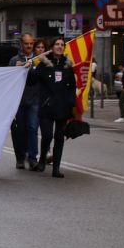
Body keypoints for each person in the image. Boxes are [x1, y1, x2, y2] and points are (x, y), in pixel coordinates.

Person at [28, 37, 76, 178]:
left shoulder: (67, 65)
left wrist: (71, 102)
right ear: (52, 46)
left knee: (59, 138)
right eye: (57, 44)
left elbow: (72, 86)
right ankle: (42, 159)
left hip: (63, 108)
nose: (59, 47)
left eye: (62, 45)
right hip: (47, 107)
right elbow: (31, 81)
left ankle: (56, 168)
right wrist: (33, 66)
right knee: (47, 135)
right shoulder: (44, 63)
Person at [9, 34, 39, 170]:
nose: (28, 46)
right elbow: (7, 79)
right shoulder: (14, 60)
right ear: (21, 44)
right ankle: (20, 158)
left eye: (31, 44)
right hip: (18, 101)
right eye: (26, 43)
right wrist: (16, 68)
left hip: (34, 100)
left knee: (32, 128)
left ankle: (32, 158)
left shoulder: (39, 59)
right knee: (19, 130)